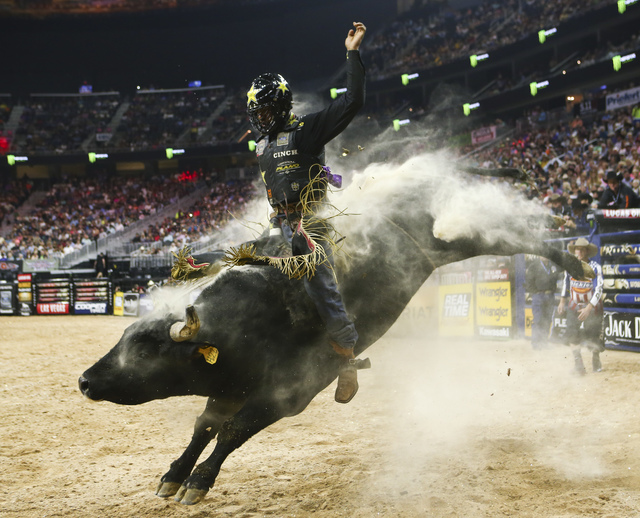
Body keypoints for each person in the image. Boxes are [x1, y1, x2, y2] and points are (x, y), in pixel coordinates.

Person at [244, 21, 366, 404]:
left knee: (317, 280)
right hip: (277, 224)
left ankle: (347, 357)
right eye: (257, 113)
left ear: (282, 106)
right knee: (241, 265)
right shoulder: (261, 146)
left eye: (266, 112)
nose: (261, 119)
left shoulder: (308, 128)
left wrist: (352, 54)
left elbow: (352, 103)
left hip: (310, 222)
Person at [557, 238, 604, 374]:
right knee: (572, 334)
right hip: (575, 304)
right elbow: (566, 284)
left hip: (592, 306)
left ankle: (595, 358)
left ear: (587, 251)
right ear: (575, 251)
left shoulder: (595, 267)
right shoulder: (570, 266)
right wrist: (562, 301)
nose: (580, 252)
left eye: (582, 249)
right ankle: (579, 365)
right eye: (578, 249)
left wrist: (589, 307)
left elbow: (599, 288)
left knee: (594, 334)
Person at [525, 257, 562, 350]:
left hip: (550, 296)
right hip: (539, 296)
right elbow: (529, 282)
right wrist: (536, 293)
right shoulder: (533, 266)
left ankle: (544, 343)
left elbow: (557, 277)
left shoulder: (553, 265)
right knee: (538, 320)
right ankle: (536, 344)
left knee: (547, 320)